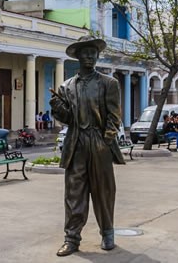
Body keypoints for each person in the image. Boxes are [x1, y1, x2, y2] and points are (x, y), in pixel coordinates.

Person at [49, 35, 125, 257]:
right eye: (86, 52)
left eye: (94, 52)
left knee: (104, 190)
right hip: (76, 143)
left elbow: (114, 116)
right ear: (78, 56)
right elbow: (67, 118)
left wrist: (106, 140)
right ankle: (71, 238)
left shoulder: (109, 83)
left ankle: (107, 232)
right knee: (74, 193)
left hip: (98, 141)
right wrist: (56, 107)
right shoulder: (66, 86)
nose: (90, 56)